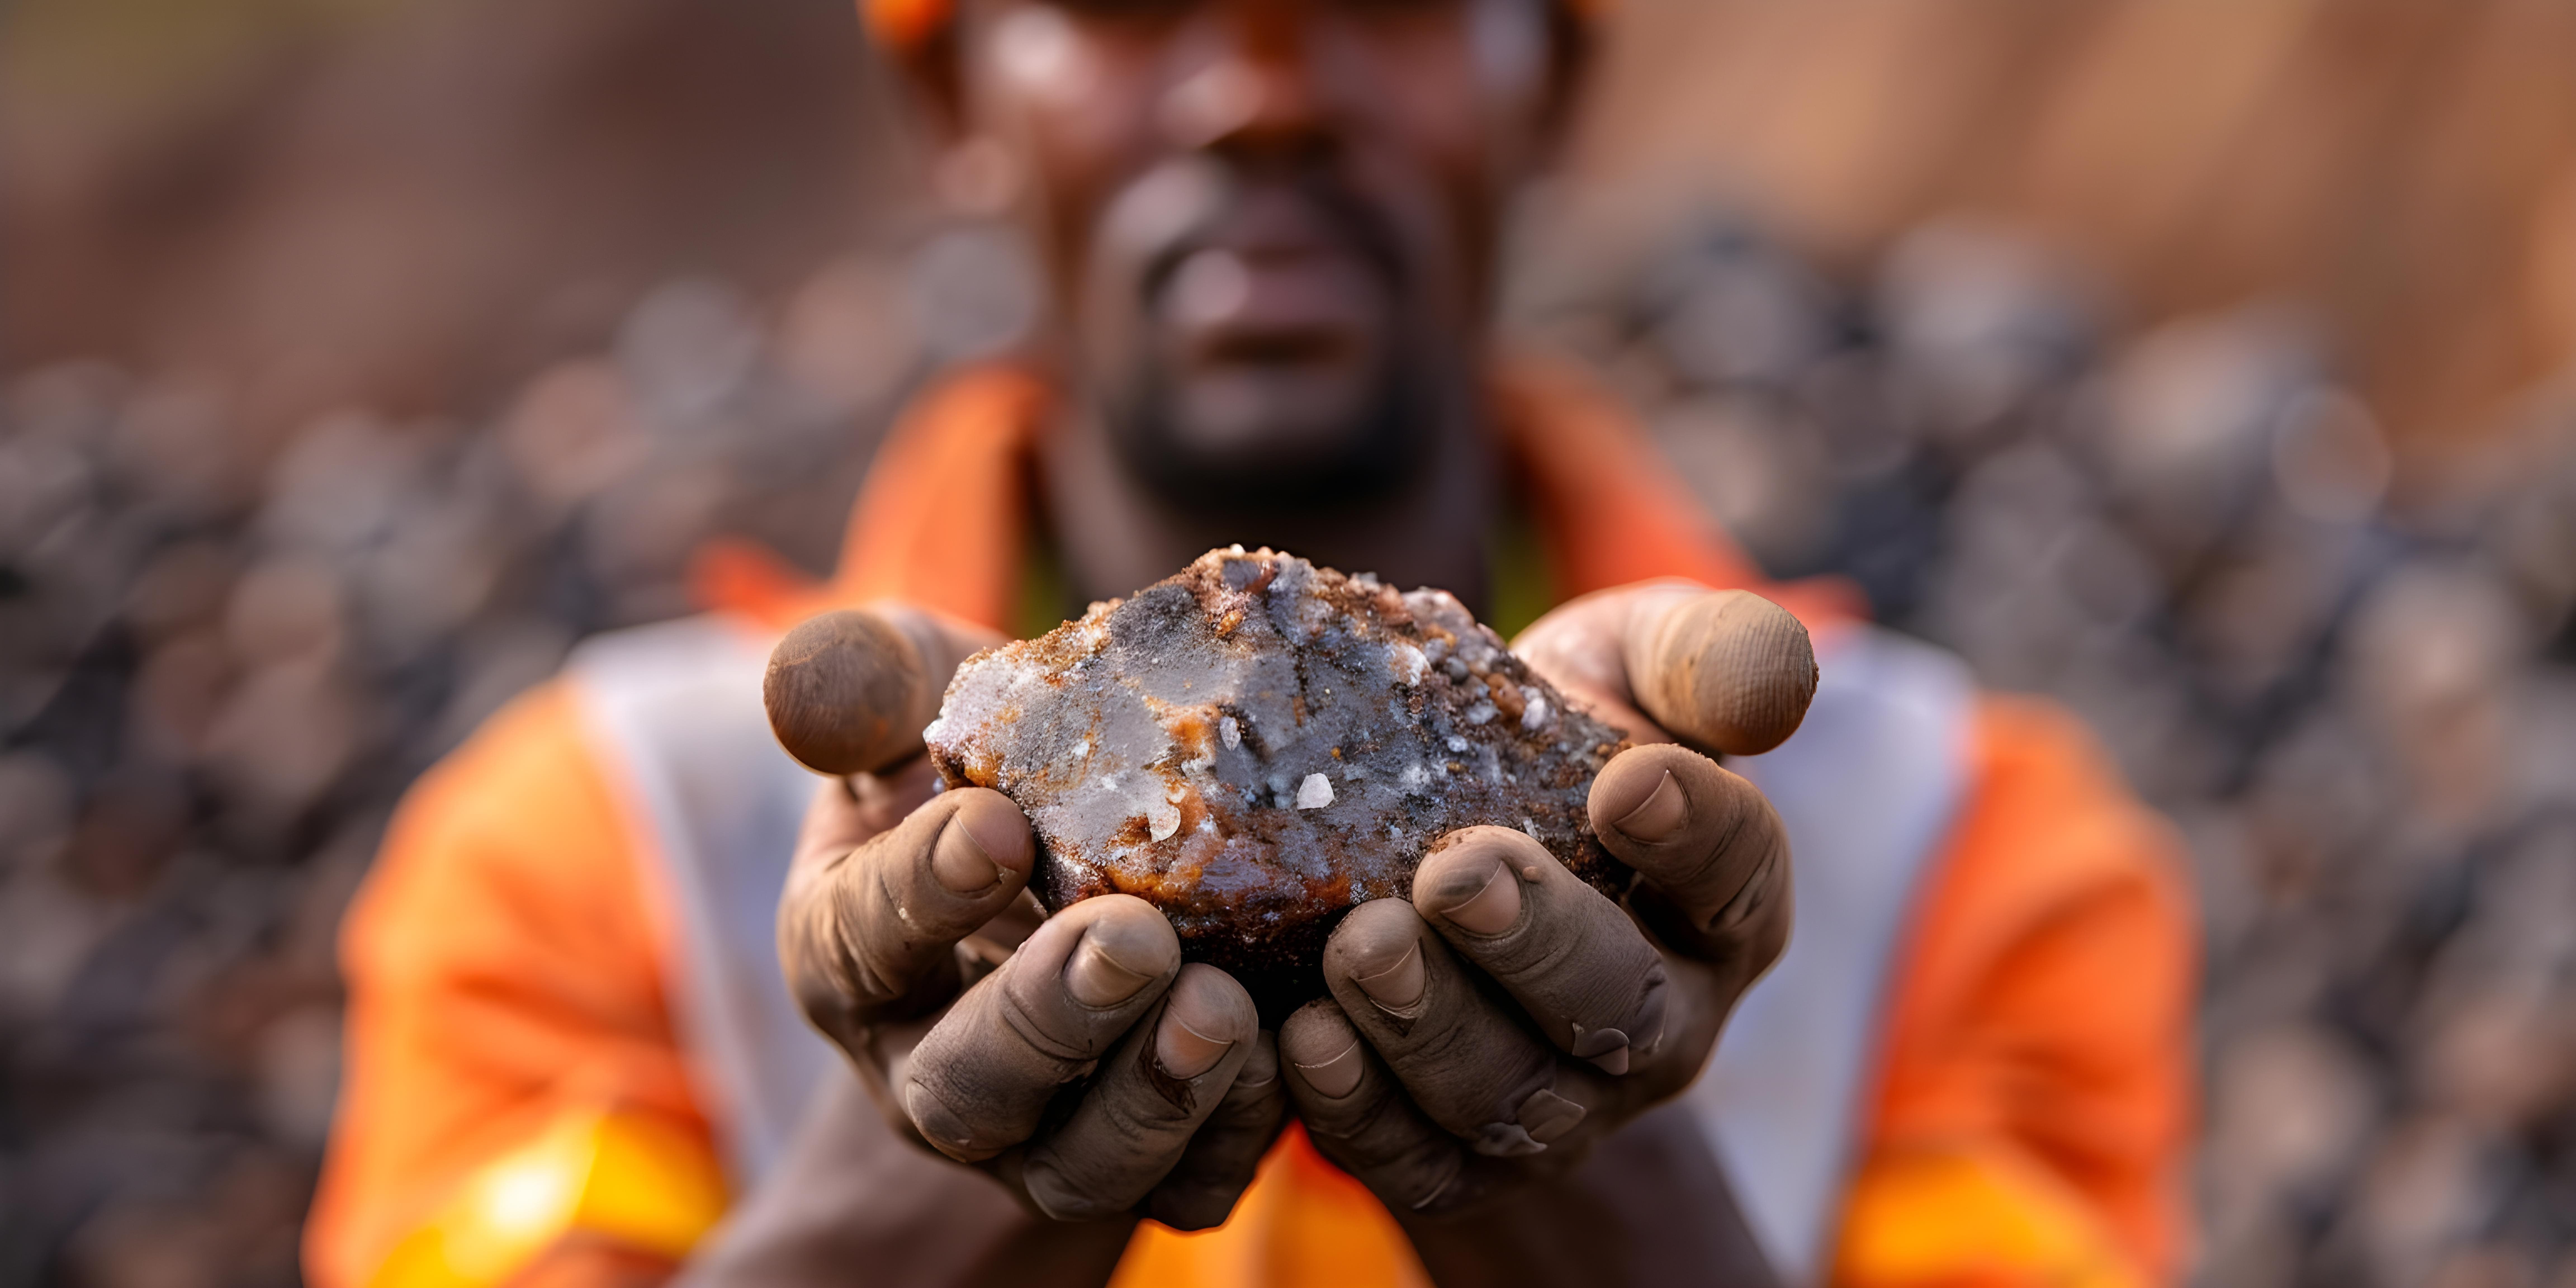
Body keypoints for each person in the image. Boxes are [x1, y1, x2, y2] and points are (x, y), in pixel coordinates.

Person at [306, 1, 2195, 1285]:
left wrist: (1608, 1209)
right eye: (1133, 0)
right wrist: (908, 1215)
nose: (1258, 95)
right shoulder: (598, 846)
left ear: (1546, 85)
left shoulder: (1958, 848)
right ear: (960, 100)